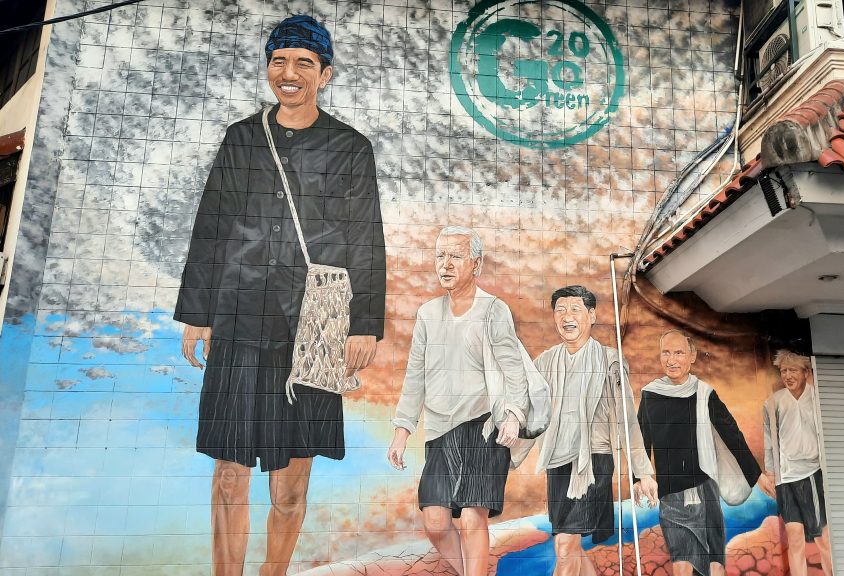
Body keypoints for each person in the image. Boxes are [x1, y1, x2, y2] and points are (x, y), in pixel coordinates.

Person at [174, 15, 386, 576]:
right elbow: (211, 224)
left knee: (290, 485)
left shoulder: (351, 148)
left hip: (311, 329)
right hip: (238, 320)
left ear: (325, 74)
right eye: (279, 61)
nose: (289, 73)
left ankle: (274, 571)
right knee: (228, 474)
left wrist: (364, 325)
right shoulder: (241, 138)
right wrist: (199, 312)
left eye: (303, 63)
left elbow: (366, 238)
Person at [387, 226, 529, 576]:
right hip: (440, 430)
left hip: (484, 425)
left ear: (476, 264)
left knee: (471, 516)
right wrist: (402, 430)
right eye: (440, 256)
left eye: (455, 256)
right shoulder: (427, 314)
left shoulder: (493, 310)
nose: (446, 264)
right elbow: (415, 375)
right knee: (435, 521)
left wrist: (514, 415)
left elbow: (514, 370)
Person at [533, 285, 658, 576]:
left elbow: (627, 419)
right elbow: (526, 404)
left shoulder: (609, 361)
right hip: (557, 462)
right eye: (560, 310)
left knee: (565, 545)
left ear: (591, 315)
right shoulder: (544, 362)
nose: (567, 317)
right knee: (568, 546)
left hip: (594, 462)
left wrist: (643, 472)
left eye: (575, 309)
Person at [637, 331, 763, 576]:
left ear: (692, 356)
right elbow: (641, 440)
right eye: (666, 353)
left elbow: (731, 432)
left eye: (679, 353)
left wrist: (756, 475)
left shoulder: (704, 393)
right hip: (671, 495)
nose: (671, 360)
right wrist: (638, 478)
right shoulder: (650, 394)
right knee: (682, 565)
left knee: (714, 566)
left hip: (705, 490)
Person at [758, 350, 833, 576]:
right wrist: (771, 473)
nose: (788, 375)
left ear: (805, 372)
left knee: (823, 538)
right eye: (784, 371)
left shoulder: (817, 398)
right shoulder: (773, 402)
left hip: (812, 474)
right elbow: (769, 441)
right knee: (795, 538)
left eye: (793, 370)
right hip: (785, 479)